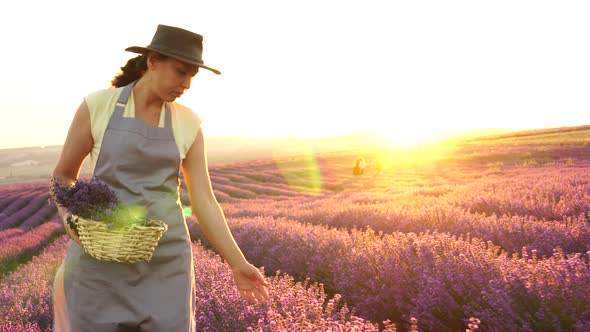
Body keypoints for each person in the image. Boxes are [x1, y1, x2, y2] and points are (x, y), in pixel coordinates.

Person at [50, 24, 269, 331]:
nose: (187, 84)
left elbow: (203, 200)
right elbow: (63, 176)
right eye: (181, 72)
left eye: (193, 75)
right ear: (152, 61)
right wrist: (72, 223)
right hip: (101, 259)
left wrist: (238, 263)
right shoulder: (98, 106)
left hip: (166, 263)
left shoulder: (188, 122)